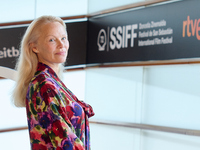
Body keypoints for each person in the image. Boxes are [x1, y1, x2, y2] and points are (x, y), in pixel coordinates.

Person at [12, 15, 94, 150]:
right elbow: (66, 143)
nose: (61, 45)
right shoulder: (45, 85)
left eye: (63, 38)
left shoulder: (52, 81)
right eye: (52, 40)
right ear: (34, 47)